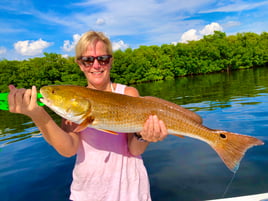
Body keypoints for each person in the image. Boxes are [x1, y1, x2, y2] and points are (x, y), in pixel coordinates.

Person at [8, 31, 168, 201]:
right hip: (88, 194)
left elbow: (135, 150)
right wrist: (38, 115)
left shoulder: (128, 93)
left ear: (111, 61)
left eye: (103, 58)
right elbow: (68, 149)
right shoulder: (73, 102)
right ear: (80, 64)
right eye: (88, 60)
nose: (96, 65)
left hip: (131, 192)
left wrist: (144, 136)